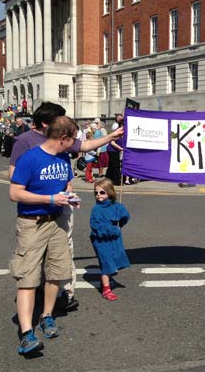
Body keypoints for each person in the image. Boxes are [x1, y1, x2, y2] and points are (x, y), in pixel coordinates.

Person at [9, 102, 124, 311]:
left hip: (61, 209)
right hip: (36, 214)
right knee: (33, 262)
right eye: (58, 119)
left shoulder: (63, 141)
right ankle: (38, 296)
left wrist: (109, 137)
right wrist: (49, 197)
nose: (62, 123)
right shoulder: (25, 142)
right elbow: (15, 181)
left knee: (62, 254)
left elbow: (82, 147)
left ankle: (64, 293)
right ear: (45, 123)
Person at [9, 116, 80, 355]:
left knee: (57, 272)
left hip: (57, 221)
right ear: (63, 138)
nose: (75, 144)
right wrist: (49, 199)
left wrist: (69, 196)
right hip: (33, 223)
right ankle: (27, 334)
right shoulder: (30, 158)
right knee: (28, 277)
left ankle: (47, 316)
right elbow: (15, 193)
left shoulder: (63, 157)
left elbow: (67, 184)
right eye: (73, 139)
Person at [90, 178, 130, 301]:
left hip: (114, 239)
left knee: (114, 258)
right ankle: (106, 290)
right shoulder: (96, 209)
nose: (98, 195)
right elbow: (96, 227)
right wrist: (114, 230)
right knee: (106, 262)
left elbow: (125, 217)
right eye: (96, 193)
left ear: (109, 192)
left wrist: (123, 217)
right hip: (101, 240)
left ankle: (106, 280)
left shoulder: (117, 206)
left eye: (102, 192)